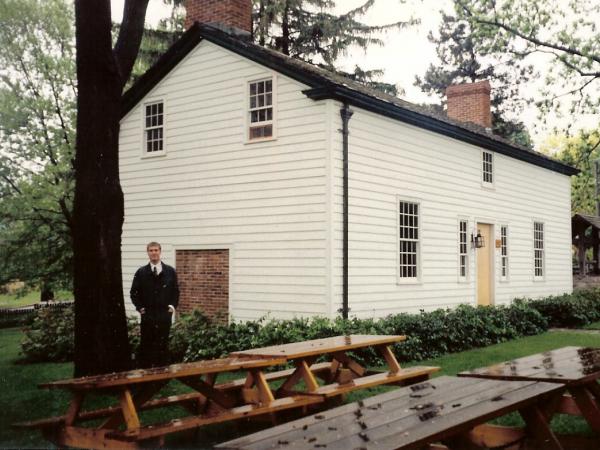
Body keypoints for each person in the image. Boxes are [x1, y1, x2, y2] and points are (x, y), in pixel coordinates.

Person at [130, 241, 179, 368]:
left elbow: (176, 292)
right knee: (147, 345)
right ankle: (146, 375)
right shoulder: (141, 272)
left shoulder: (170, 271)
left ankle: (162, 374)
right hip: (148, 315)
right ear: (148, 253)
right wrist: (140, 308)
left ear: (160, 251)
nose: (154, 253)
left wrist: (172, 307)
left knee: (162, 344)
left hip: (164, 315)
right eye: (151, 250)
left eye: (156, 250)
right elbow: (133, 293)